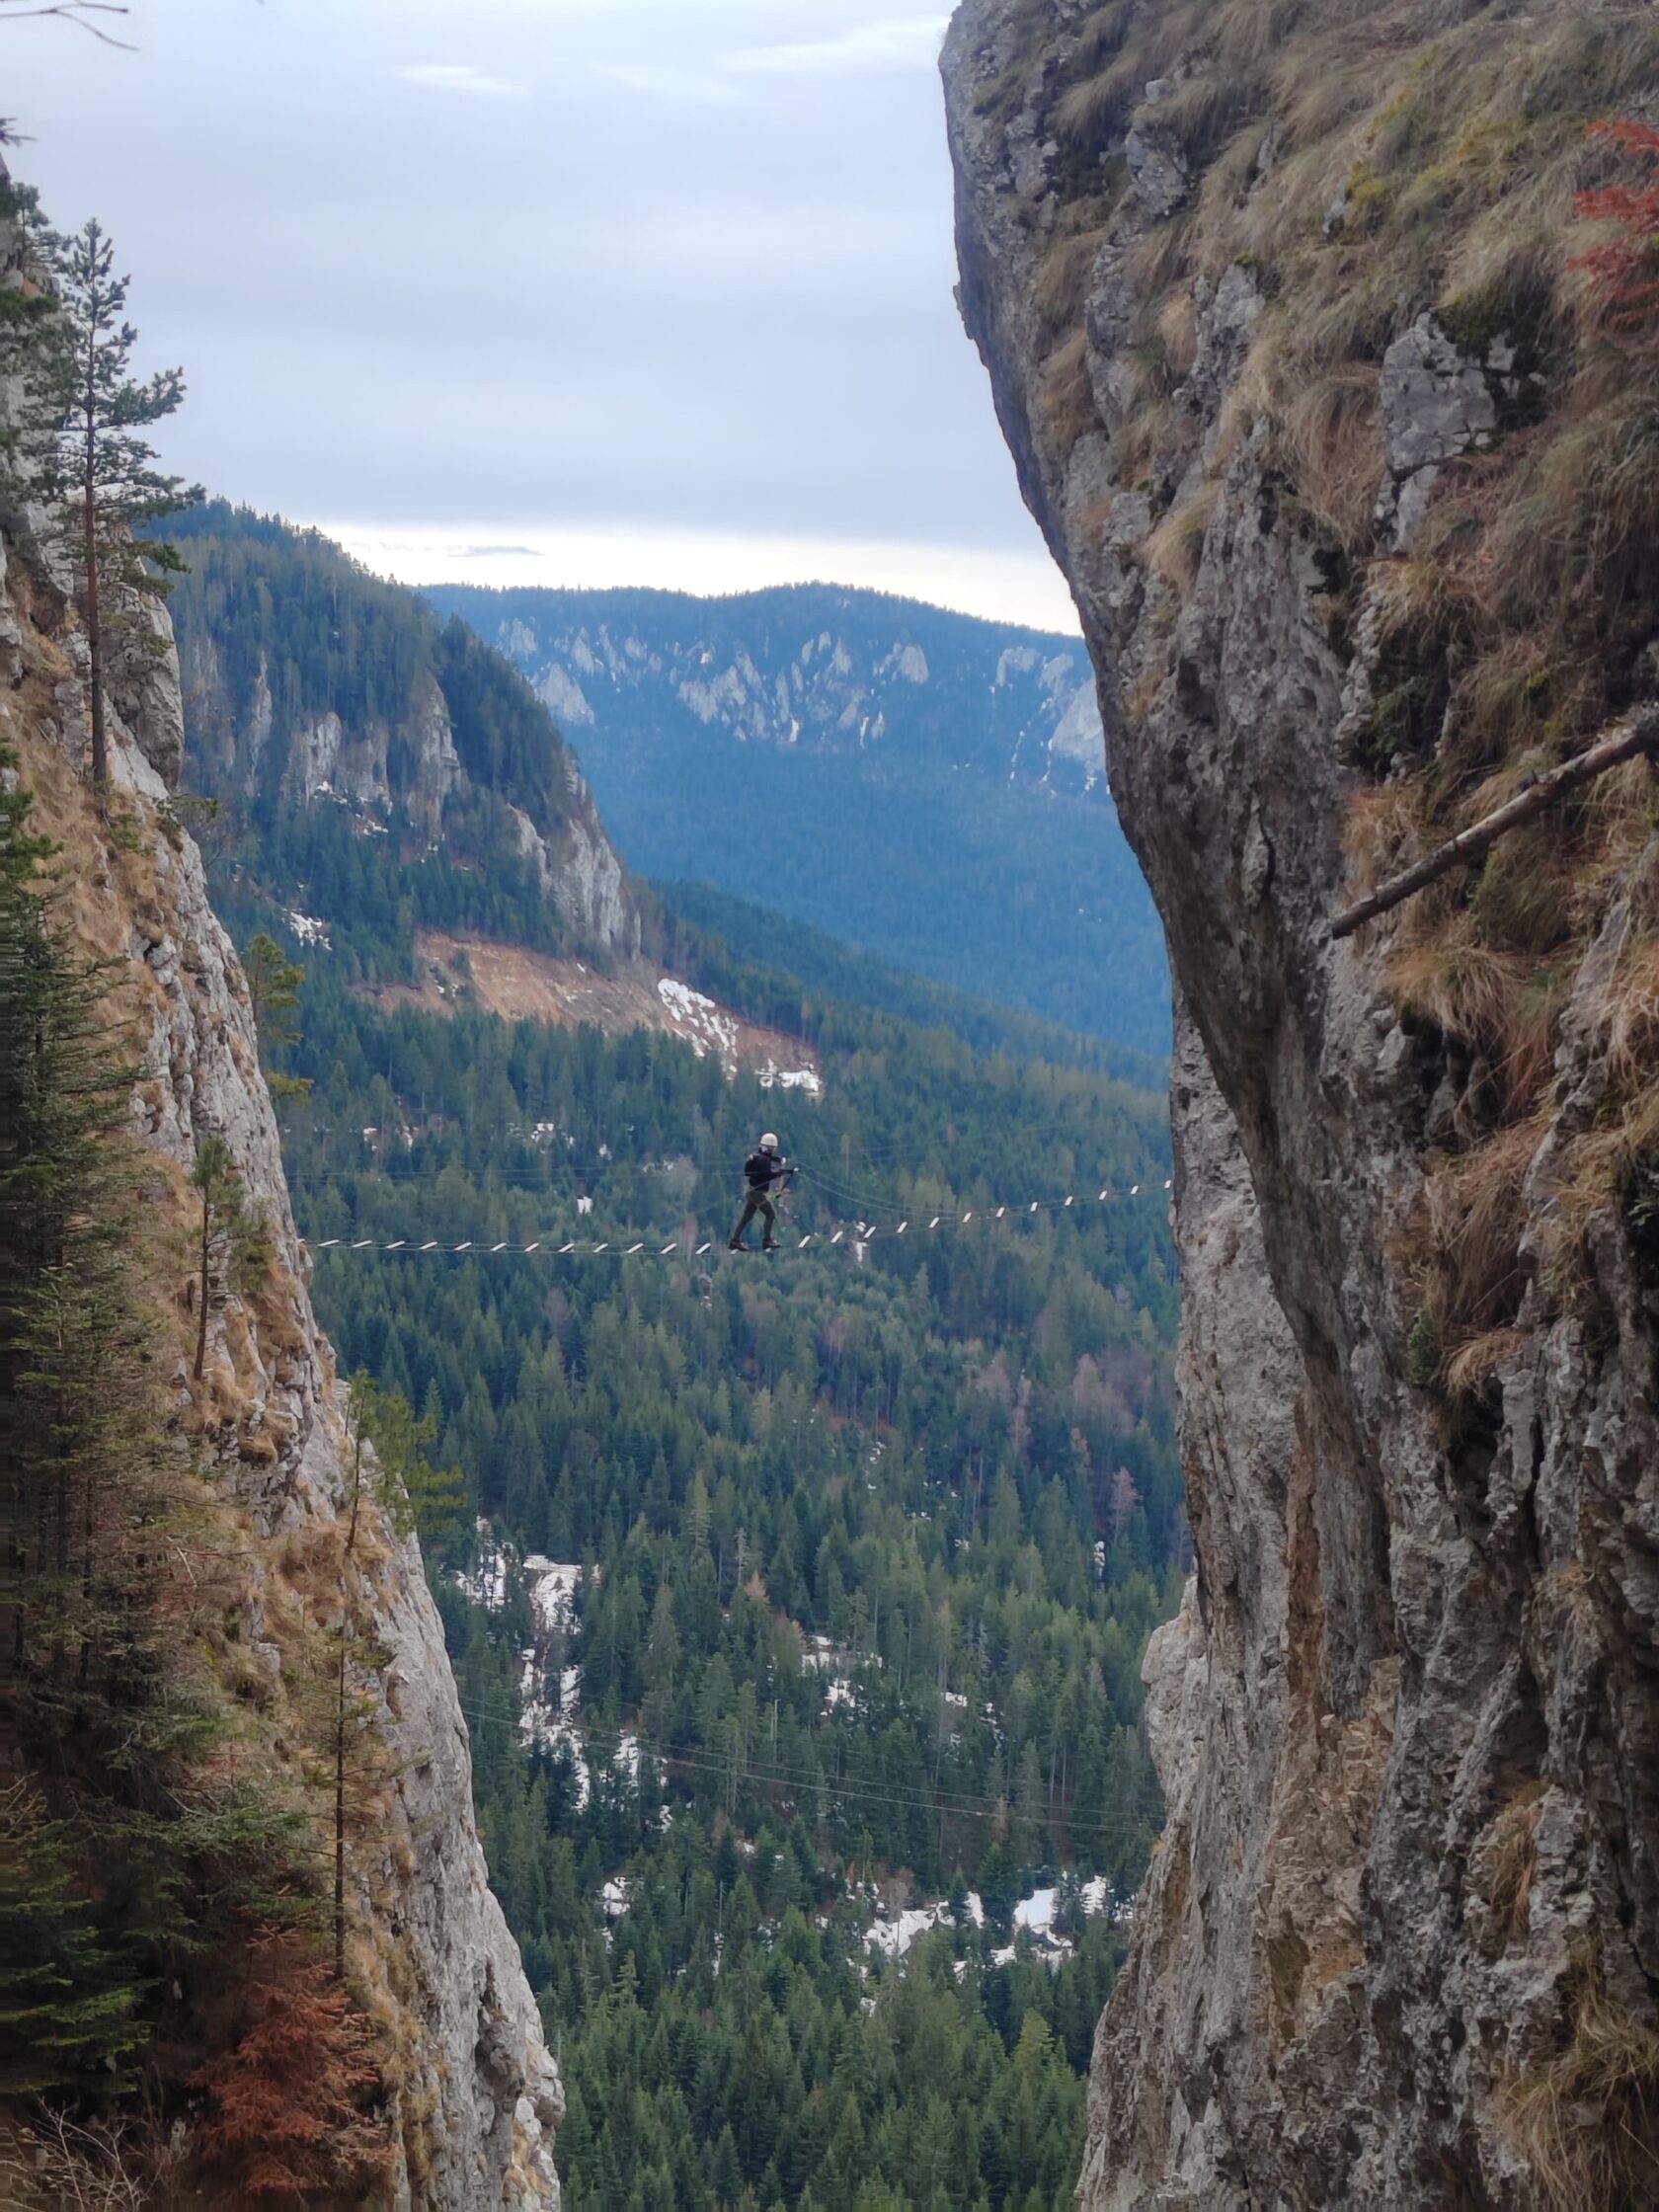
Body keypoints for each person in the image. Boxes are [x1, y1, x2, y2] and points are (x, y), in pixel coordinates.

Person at [729, 1132, 788, 1251]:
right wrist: (781, 1172)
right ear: (770, 1148)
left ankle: (735, 1240)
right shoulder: (764, 1160)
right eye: (773, 1148)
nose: (774, 1151)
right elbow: (768, 1175)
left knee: (746, 1217)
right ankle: (767, 1240)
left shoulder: (756, 1158)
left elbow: (747, 1172)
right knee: (771, 1214)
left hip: (751, 1192)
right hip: (757, 1194)